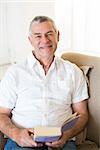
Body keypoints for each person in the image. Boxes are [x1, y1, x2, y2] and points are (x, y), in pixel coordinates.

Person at [0, 16, 88, 150]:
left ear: (58, 36)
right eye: (38, 36)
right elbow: (2, 114)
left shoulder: (73, 72)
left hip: (62, 143)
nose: (45, 40)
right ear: (30, 40)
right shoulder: (14, 73)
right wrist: (17, 134)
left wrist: (66, 135)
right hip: (21, 143)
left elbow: (82, 114)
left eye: (49, 34)